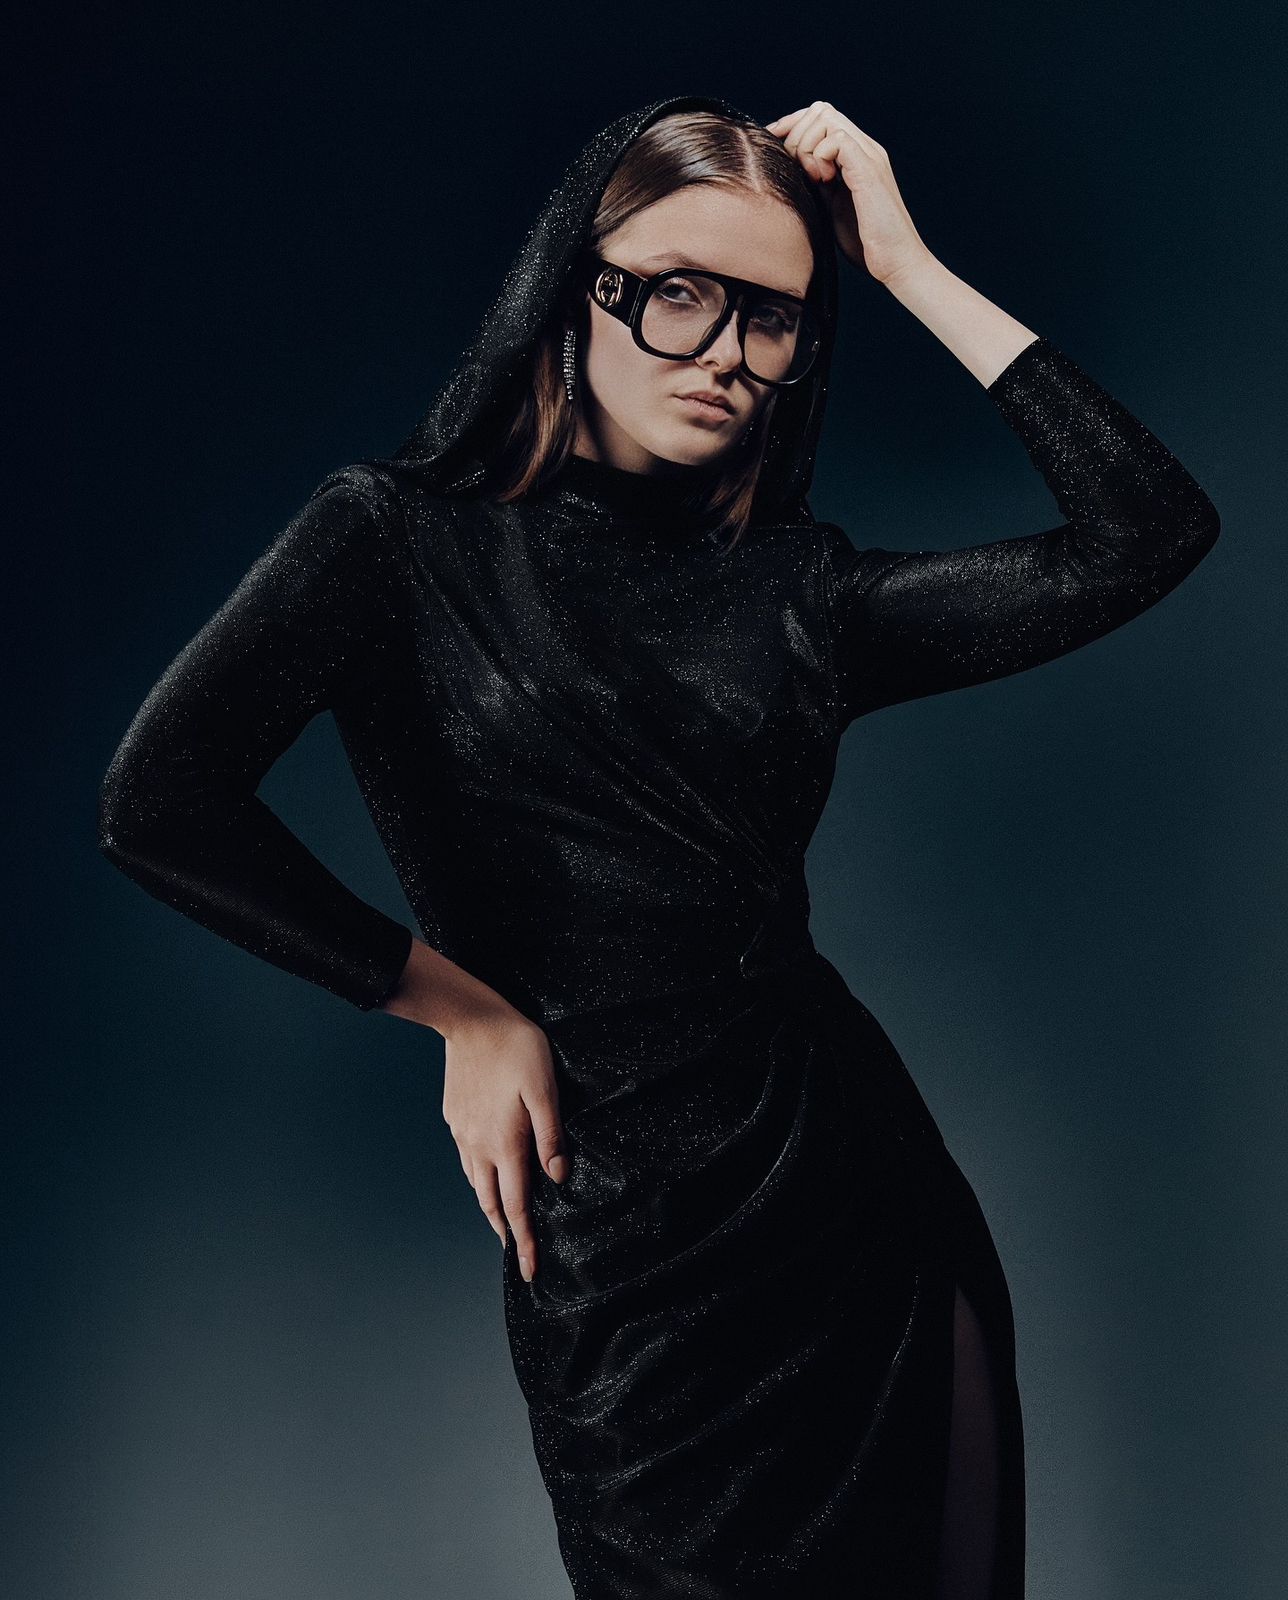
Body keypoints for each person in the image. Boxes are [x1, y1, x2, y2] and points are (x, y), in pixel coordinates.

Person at [97, 93, 1221, 1599]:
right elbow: (157, 801)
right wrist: (458, 1009)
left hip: (851, 1204)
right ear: (576, 290)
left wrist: (903, 263)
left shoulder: (800, 591)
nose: (726, 356)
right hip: (621, 1255)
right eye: (681, 294)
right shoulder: (392, 539)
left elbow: (1148, 533)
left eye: (776, 318)